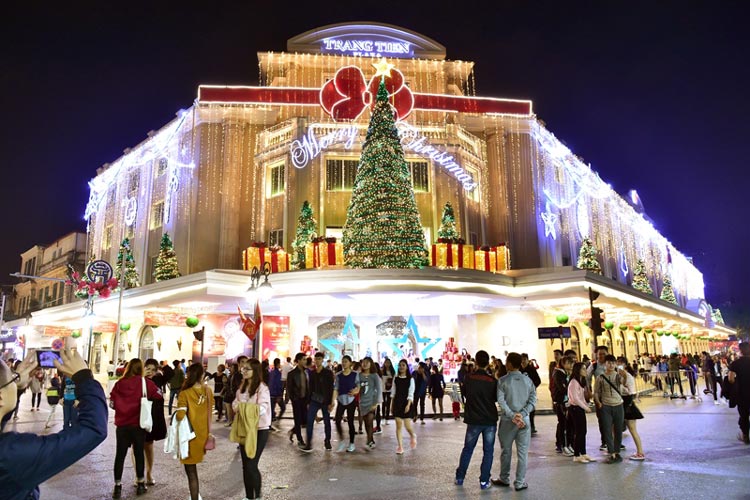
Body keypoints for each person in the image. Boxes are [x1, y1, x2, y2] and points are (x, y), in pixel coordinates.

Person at [0, 349, 107, 500]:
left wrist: (17, 385)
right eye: (11, 378)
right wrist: (84, 378)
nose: (15, 379)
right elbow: (93, 429)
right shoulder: (12, 454)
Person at [110, 358, 162, 498]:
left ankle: (117, 486)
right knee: (139, 453)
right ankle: (140, 484)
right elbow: (159, 395)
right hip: (138, 424)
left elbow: (112, 403)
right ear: (141, 369)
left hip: (122, 425)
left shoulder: (119, 383)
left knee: (120, 455)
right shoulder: (146, 383)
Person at [493, 352, 536, 492]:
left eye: (507, 361)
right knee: (522, 453)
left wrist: (512, 415)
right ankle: (520, 482)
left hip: (507, 421)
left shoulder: (502, 380)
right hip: (524, 422)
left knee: (506, 451)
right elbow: (532, 401)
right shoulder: (528, 381)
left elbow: (501, 401)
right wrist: (522, 415)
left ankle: (504, 478)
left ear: (510, 364)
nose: (505, 363)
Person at [454, 350, 497, 490]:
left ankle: (460, 477)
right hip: (489, 419)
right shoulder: (492, 381)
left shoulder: (469, 378)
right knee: (488, 451)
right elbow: (495, 398)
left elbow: (465, 394)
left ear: (476, 362)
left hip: (473, 419)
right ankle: (484, 481)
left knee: (468, 449)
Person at [233, 358, 271, 500]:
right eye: (243, 368)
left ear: (255, 371)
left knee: (251, 464)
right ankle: (249, 496)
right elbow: (234, 404)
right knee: (245, 465)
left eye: (246, 369)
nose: (243, 371)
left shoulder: (262, 388)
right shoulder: (242, 388)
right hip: (244, 429)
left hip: (259, 429)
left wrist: (243, 408)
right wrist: (241, 407)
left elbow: (262, 408)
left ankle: (258, 494)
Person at [176, 363, 214, 500]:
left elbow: (180, 415)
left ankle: (194, 497)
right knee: (193, 470)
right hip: (202, 435)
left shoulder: (185, 393)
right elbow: (211, 407)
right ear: (202, 375)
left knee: (191, 471)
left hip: (188, 436)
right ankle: (195, 496)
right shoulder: (208, 391)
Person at [594, 354, 625, 464]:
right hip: (606, 406)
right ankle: (611, 453)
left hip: (618, 405)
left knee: (618, 430)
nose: (611, 365)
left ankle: (617, 452)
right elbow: (596, 392)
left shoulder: (618, 376)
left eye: (613, 363)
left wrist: (624, 375)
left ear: (616, 364)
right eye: (609, 363)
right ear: (605, 364)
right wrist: (598, 402)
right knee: (607, 430)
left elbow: (625, 384)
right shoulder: (600, 377)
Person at [302, 352, 334, 452]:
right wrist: (308, 401)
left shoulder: (328, 373)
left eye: (319, 359)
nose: (317, 361)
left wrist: (330, 402)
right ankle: (308, 442)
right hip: (314, 400)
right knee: (310, 420)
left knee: (327, 421)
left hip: (325, 400)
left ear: (322, 360)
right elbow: (310, 388)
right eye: (316, 359)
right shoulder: (312, 373)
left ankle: (327, 440)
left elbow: (331, 388)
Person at [142, 359, 167, 485]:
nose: (150, 372)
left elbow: (170, 374)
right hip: (136, 417)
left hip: (151, 418)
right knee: (137, 446)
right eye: (148, 369)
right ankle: (138, 476)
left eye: (153, 370)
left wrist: (162, 367)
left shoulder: (157, 381)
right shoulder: (137, 380)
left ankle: (149, 473)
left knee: (149, 445)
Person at [617, 356, 645, 460]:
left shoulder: (627, 376)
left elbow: (631, 392)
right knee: (617, 428)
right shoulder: (619, 375)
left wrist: (623, 383)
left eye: (620, 363)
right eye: (617, 363)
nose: (617, 365)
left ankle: (640, 452)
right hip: (622, 403)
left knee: (632, 430)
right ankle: (615, 450)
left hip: (628, 404)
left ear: (624, 364)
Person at [331, 355, 360, 452]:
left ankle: (351, 443)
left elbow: (359, 386)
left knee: (351, 422)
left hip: (351, 401)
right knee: (337, 420)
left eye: (346, 361)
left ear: (350, 363)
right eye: (343, 361)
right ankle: (342, 440)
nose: (344, 363)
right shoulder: (338, 375)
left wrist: (356, 391)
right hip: (341, 400)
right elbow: (336, 388)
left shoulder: (355, 374)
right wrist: (333, 401)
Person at [567, 362, 594, 463]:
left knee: (583, 431)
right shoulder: (574, 382)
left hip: (580, 408)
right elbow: (575, 398)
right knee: (579, 432)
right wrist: (585, 407)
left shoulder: (580, 381)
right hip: (575, 408)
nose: (585, 371)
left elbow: (581, 397)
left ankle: (583, 453)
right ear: (578, 370)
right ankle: (577, 455)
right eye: (583, 369)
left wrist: (586, 406)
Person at [390, 359, 417, 454]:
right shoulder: (396, 378)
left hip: (406, 402)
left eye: (403, 365)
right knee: (398, 425)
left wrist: (408, 404)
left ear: (406, 367)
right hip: (397, 402)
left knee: (407, 425)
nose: (401, 367)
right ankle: (400, 447)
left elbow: (411, 392)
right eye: (400, 365)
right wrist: (391, 404)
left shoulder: (411, 379)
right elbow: (393, 391)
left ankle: (412, 435)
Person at [587, 345, 609, 450]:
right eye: (599, 354)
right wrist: (589, 390)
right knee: (602, 419)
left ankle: (614, 440)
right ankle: (604, 441)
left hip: (613, 396)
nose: (601, 356)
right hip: (599, 396)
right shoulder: (594, 366)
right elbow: (587, 377)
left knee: (613, 419)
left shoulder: (612, 364)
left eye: (603, 354)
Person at [729, 342, 750, 444]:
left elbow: (731, 379)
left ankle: (745, 436)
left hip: (742, 394)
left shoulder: (736, 363)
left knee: (744, 415)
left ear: (741, 350)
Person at [358, 357, 381, 449]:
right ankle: (370, 438)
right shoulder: (359, 375)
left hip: (372, 402)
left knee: (370, 420)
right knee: (366, 422)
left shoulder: (375, 376)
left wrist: (377, 403)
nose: (365, 364)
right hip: (362, 402)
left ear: (371, 364)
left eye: (367, 362)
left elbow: (379, 389)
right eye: (363, 362)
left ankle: (370, 440)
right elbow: (357, 387)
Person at [286, 352, 309, 447]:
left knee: (305, 420)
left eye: (305, 359)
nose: (305, 361)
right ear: (298, 361)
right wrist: (292, 398)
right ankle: (300, 439)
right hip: (296, 399)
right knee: (298, 419)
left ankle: (292, 431)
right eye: (303, 359)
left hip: (305, 399)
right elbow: (289, 387)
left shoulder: (306, 372)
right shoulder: (292, 374)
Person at [551, 355, 572, 456]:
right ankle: (563, 445)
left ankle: (567, 445)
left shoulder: (565, 373)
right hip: (560, 402)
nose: (570, 365)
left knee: (567, 424)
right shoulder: (558, 373)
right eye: (568, 363)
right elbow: (562, 388)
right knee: (563, 424)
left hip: (566, 401)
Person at [520, 353, 541, 434]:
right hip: (521, 394)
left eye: (524, 359)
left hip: (530, 393)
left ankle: (532, 426)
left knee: (531, 409)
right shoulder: (518, 370)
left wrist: (532, 388)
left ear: (527, 360)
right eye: (522, 360)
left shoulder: (532, 369)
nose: (523, 361)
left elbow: (538, 380)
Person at [268, 358, 284, 426]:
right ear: (278, 364)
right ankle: (276, 419)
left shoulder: (271, 372)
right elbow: (278, 384)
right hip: (276, 394)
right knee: (283, 407)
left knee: (271, 409)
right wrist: (279, 395)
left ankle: (270, 423)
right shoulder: (278, 373)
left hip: (271, 393)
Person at [381, 358, 395, 424]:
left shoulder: (392, 371)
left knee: (388, 403)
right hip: (383, 389)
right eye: (386, 363)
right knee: (383, 403)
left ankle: (387, 418)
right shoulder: (382, 371)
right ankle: (383, 417)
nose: (387, 364)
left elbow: (394, 380)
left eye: (388, 363)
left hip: (390, 389)